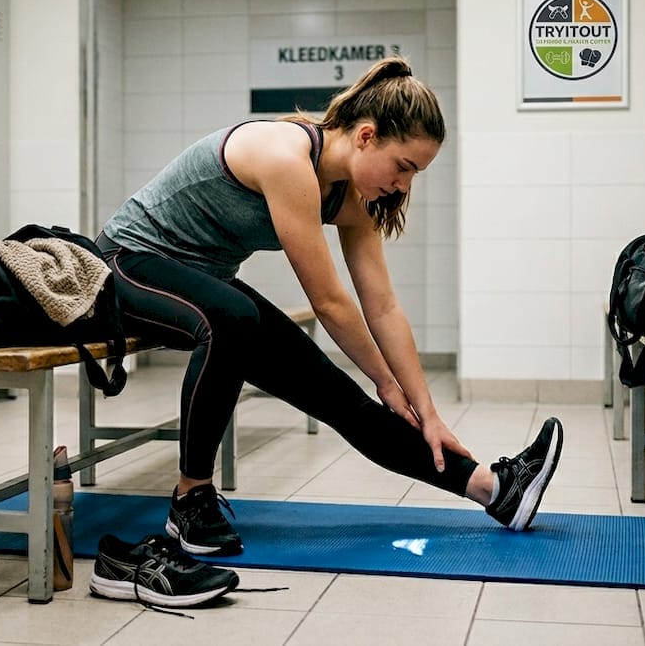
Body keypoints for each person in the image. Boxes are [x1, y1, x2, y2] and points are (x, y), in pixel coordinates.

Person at [97, 56, 563, 556]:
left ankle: (496, 491)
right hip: (125, 264)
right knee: (234, 316)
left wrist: (425, 410)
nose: (404, 186)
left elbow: (381, 305)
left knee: (343, 398)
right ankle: (191, 499)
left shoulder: (351, 198)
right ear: (366, 136)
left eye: (416, 174)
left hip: (202, 284)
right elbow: (330, 301)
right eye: (404, 167)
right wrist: (388, 382)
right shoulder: (285, 155)